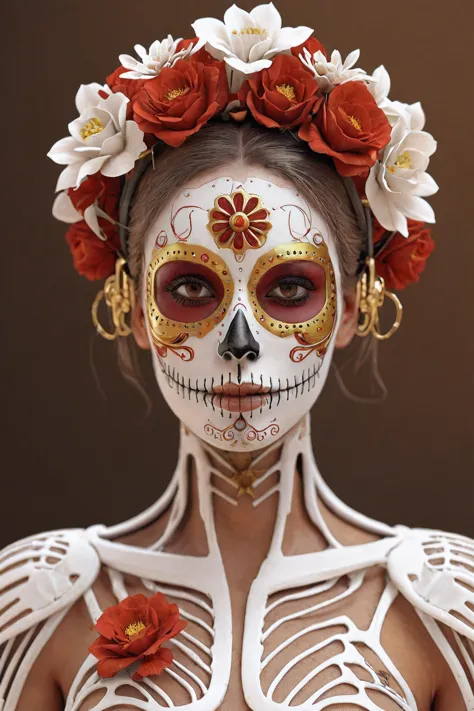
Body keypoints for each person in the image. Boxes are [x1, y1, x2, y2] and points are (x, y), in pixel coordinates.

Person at [1, 4, 472, 710]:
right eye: (191, 286)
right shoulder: (41, 601)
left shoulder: (443, 603)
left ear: (351, 309)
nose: (241, 343)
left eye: (289, 287)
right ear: (133, 309)